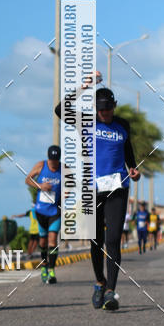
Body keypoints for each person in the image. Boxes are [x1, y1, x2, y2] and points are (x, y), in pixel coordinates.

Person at [56, 84, 140, 310]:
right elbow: (60, 109)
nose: (105, 113)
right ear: (95, 107)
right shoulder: (85, 121)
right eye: (101, 110)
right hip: (91, 188)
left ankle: (111, 291)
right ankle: (99, 282)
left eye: (108, 109)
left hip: (117, 187)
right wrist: (84, 86)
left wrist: (133, 169)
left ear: (114, 106)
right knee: (96, 240)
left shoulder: (122, 125)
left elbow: (127, 150)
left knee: (113, 239)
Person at [25, 145, 62, 284]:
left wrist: (67, 192)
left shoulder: (64, 169)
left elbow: (72, 184)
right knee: (43, 241)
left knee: (53, 239)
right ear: (48, 158)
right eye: (51, 160)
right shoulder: (41, 165)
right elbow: (28, 180)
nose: (53, 163)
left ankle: (52, 270)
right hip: (41, 211)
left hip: (55, 211)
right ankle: (44, 266)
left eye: (56, 161)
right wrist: (41, 186)